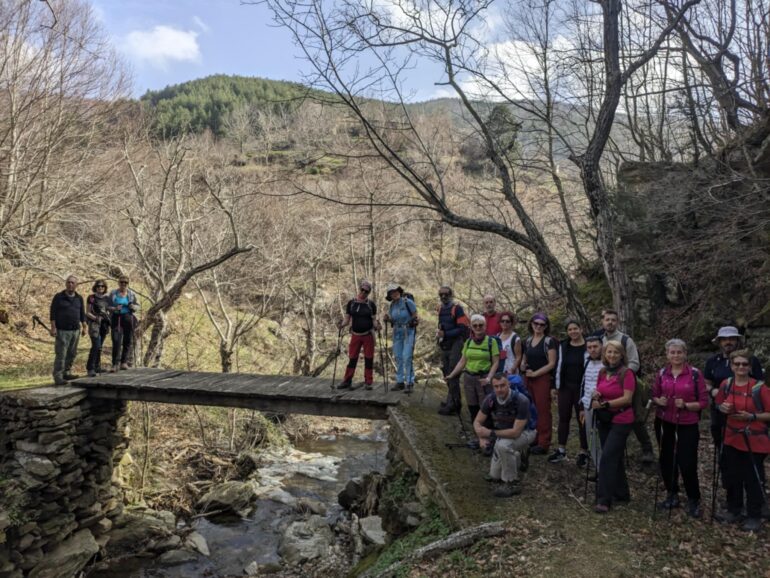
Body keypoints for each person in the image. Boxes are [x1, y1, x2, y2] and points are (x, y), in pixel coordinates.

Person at [651, 339, 708, 518]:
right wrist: (658, 401)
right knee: (666, 460)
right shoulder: (662, 373)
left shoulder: (695, 374)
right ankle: (672, 493)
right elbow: (655, 394)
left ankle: (693, 498)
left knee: (687, 462)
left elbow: (704, 402)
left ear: (685, 354)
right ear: (667, 354)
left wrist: (687, 405)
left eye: (679, 352)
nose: (676, 355)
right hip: (664, 421)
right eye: (672, 352)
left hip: (687, 423)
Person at [715, 349, 770, 532]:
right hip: (731, 437)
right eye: (737, 364)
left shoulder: (759, 388)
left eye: (744, 364)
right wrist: (722, 407)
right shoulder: (726, 384)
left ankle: (754, 514)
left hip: (754, 440)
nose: (740, 367)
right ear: (731, 366)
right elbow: (719, 404)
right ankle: (734, 509)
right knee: (732, 476)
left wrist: (752, 416)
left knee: (753, 478)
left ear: (750, 366)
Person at [598, 308, 655, 464]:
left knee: (635, 416)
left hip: (627, 384)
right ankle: (616, 451)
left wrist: (622, 375)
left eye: (613, 320)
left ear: (617, 322)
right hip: (608, 384)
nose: (610, 322)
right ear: (602, 321)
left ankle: (647, 448)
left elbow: (635, 362)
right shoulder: (600, 339)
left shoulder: (625, 340)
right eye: (607, 319)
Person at [474, 372, 537, 497]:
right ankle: (519, 456)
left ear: (509, 384)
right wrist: (481, 437)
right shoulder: (491, 399)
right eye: (496, 386)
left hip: (526, 432)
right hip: (503, 434)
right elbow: (477, 421)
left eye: (502, 385)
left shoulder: (521, 400)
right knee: (494, 475)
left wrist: (490, 433)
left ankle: (511, 482)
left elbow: (515, 432)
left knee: (503, 446)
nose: (499, 389)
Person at [592, 340, 635, 513]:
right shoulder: (603, 372)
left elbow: (627, 398)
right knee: (613, 457)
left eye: (616, 353)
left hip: (622, 419)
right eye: (609, 352)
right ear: (605, 354)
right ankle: (622, 493)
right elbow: (600, 390)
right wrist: (596, 395)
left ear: (622, 355)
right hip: (605, 419)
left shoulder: (627, 373)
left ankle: (604, 499)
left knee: (608, 457)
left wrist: (605, 404)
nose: (612, 355)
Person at [704, 326, 764, 448]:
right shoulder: (713, 361)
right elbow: (706, 383)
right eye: (724, 339)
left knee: (745, 442)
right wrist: (713, 390)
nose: (728, 342)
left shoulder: (751, 360)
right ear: (720, 342)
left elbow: (760, 384)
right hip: (719, 408)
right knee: (719, 439)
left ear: (737, 340)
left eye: (732, 338)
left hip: (745, 408)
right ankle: (724, 465)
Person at [445, 315, 500, 444]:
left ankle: (488, 437)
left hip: (483, 379)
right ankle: (478, 436)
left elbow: (496, 363)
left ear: (485, 326)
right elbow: (463, 361)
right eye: (475, 325)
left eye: (481, 325)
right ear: (472, 327)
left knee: (485, 408)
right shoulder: (468, 342)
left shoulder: (491, 342)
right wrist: (452, 375)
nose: (478, 328)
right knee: (473, 407)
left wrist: (489, 378)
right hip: (469, 378)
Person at [551, 320, 588, 465]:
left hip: (583, 388)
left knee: (582, 420)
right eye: (570, 329)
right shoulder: (563, 345)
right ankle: (561, 449)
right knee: (563, 418)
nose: (573, 332)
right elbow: (558, 365)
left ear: (581, 329)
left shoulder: (588, 345)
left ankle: (583, 452)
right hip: (565, 387)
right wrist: (555, 385)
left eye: (575, 329)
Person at [521, 312, 557, 454]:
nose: (538, 326)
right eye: (536, 323)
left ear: (546, 326)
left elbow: (552, 363)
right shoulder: (528, 341)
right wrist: (523, 366)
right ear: (531, 324)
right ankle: (534, 438)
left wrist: (536, 373)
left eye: (542, 324)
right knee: (531, 409)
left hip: (542, 378)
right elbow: (524, 358)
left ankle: (544, 442)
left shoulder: (549, 341)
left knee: (543, 410)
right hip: (529, 378)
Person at [338, 280, 381, 390]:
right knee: (352, 358)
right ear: (359, 289)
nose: (363, 292)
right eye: (362, 290)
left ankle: (368, 382)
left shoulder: (371, 305)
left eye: (366, 291)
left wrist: (377, 326)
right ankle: (347, 380)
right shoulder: (351, 303)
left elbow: (374, 320)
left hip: (368, 335)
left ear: (369, 292)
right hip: (355, 335)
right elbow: (347, 319)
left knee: (369, 358)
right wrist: (341, 325)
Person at [436, 286, 470, 415]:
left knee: (453, 374)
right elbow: (441, 326)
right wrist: (440, 335)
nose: (444, 296)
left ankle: (454, 405)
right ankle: (452, 399)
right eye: (441, 294)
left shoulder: (458, 308)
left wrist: (445, 334)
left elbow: (462, 329)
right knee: (446, 373)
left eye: (446, 294)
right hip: (445, 344)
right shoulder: (440, 308)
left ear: (451, 294)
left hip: (457, 343)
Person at [49, 275, 87, 385]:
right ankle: (58, 377)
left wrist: (84, 327)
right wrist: (53, 327)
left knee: (72, 353)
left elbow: (82, 314)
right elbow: (53, 313)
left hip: (75, 330)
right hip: (62, 331)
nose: (70, 284)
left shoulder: (79, 298)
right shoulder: (59, 297)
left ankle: (67, 372)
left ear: (76, 285)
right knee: (61, 354)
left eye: (72, 283)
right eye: (68, 282)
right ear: (66, 284)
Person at [383, 284, 418, 393]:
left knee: (407, 356)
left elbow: (415, 315)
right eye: (392, 292)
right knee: (398, 357)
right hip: (397, 333)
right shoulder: (392, 305)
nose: (395, 293)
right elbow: (394, 320)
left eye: (396, 291)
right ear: (390, 295)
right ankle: (400, 382)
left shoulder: (408, 302)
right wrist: (388, 319)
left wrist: (413, 321)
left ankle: (410, 382)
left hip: (408, 332)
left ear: (399, 291)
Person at [579, 336, 604, 470]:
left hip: (603, 407)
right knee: (591, 438)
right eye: (589, 347)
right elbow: (584, 384)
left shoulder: (608, 363)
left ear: (601, 346)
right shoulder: (587, 361)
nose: (592, 350)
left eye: (595, 347)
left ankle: (606, 469)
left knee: (602, 439)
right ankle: (598, 467)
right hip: (588, 405)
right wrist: (582, 406)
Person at [109, 276, 139, 372]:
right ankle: (114, 364)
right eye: (121, 282)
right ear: (118, 283)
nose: (123, 284)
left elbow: (137, 306)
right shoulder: (113, 293)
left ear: (128, 283)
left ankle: (124, 362)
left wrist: (132, 306)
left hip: (128, 317)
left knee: (127, 340)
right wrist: (114, 308)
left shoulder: (131, 294)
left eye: (125, 282)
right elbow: (107, 305)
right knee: (116, 340)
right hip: (116, 318)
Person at [85, 280, 111, 377]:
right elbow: (87, 312)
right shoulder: (91, 298)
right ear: (95, 287)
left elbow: (109, 310)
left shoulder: (107, 299)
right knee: (96, 345)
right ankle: (90, 368)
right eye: (98, 286)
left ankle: (97, 366)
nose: (100, 288)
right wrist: (96, 318)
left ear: (105, 288)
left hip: (104, 325)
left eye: (102, 286)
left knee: (99, 347)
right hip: (94, 324)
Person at [497, 311, 521, 375]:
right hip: (499, 371)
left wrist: (512, 369)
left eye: (507, 321)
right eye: (502, 321)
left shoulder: (515, 338)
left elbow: (518, 357)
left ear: (511, 323)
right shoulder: (497, 336)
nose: (505, 323)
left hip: (511, 372)